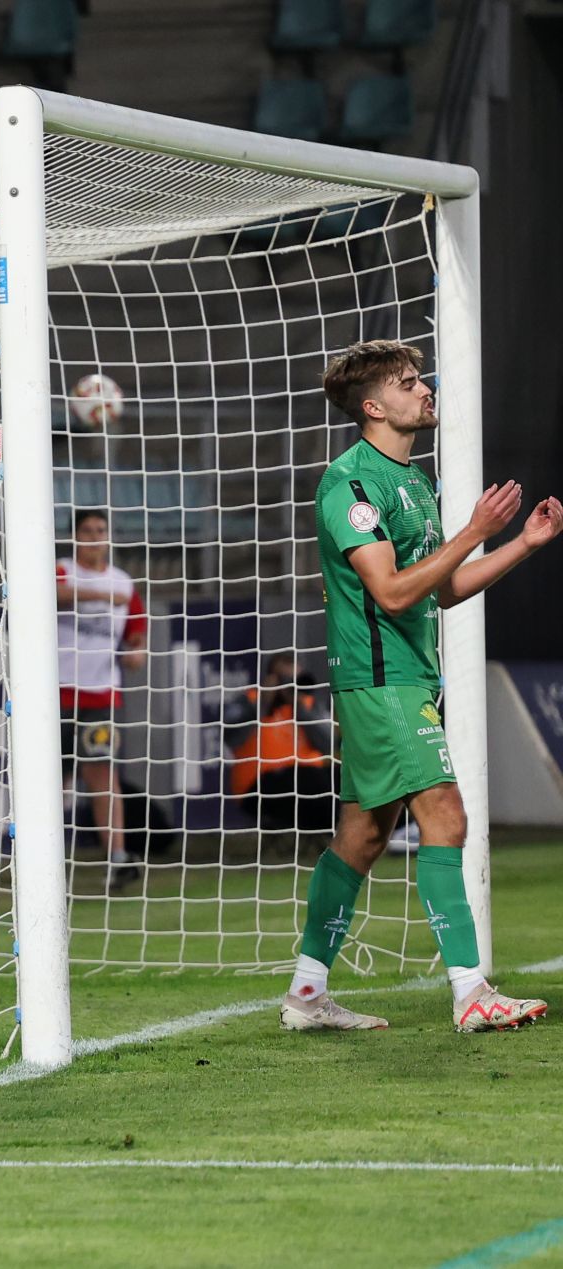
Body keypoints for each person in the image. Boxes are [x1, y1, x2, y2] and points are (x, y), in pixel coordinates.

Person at [282, 338, 560, 1033]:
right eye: (410, 382)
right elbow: (394, 594)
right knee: (447, 818)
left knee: (364, 837)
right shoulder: (349, 484)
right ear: (375, 406)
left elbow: (441, 590)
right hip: (381, 682)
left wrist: (518, 543)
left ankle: (307, 994)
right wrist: (473, 529)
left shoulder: (413, 481)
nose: (425, 388)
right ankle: (472, 994)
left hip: (406, 678)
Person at [55, 507, 147, 870]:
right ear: (76, 537)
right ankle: (41, 860)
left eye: (101, 530)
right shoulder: (62, 569)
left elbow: (136, 637)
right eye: (88, 531)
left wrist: (136, 655)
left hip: (101, 694)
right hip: (55, 693)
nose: (96, 537)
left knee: (103, 775)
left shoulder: (124, 583)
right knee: (52, 777)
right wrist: (102, 596)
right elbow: (52, 594)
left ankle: (118, 857)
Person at [224, 652, 335, 834]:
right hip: (260, 786)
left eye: (296, 678)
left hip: (311, 779)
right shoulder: (250, 700)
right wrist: (263, 704)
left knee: (345, 779)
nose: (291, 684)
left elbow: (328, 745)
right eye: (286, 679)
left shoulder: (308, 703)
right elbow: (232, 739)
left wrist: (299, 708)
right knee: (307, 780)